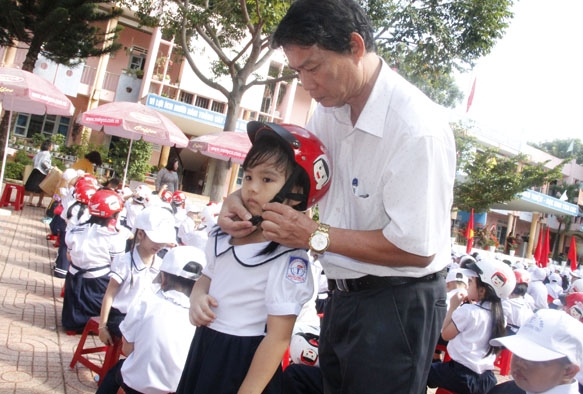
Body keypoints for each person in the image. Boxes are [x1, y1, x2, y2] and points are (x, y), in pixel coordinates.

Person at [216, 1, 456, 392]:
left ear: (356, 46)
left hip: (396, 303)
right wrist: (239, 202)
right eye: (297, 72)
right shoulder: (329, 111)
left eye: (313, 68)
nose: (307, 84)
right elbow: (293, 182)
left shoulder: (416, 128)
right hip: (343, 294)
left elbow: (416, 248)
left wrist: (313, 235)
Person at [176, 122, 331, 394]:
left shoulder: (288, 258)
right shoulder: (224, 234)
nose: (252, 188)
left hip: (246, 361)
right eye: (248, 177)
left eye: (267, 179)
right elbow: (209, 276)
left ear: (297, 192)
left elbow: (278, 337)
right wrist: (197, 298)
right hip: (206, 347)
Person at [96, 245, 205, 394]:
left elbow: (127, 349)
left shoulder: (145, 303)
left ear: (163, 277)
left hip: (135, 388)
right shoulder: (205, 317)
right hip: (178, 389)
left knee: (115, 373)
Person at [427, 258, 516, 394]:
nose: (468, 286)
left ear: (483, 290)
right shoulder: (500, 317)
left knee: (420, 371)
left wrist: (453, 306)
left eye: (470, 282)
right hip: (486, 378)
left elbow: (445, 334)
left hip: (459, 375)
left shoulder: (469, 312)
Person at [97, 206, 176, 346]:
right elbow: (110, 293)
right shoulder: (124, 262)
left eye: (163, 241)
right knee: (144, 341)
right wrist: (102, 326)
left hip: (144, 317)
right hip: (121, 317)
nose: (159, 245)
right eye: (155, 240)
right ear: (140, 234)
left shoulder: (160, 264)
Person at [62, 189, 131, 333]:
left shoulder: (74, 230)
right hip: (97, 285)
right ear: (114, 214)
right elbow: (116, 265)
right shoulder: (114, 237)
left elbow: (69, 257)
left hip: (73, 279)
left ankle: (75, 323)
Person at [489, 309, 583, 394]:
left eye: (533, 358)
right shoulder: (505, 390)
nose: (520, 363)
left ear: (568, 371)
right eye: (518, 352)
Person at [25, 139, 53, 208]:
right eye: (52, 146)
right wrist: (49, 168)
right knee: (43, 187)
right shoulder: (47, 153)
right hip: (42, 172)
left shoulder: (39, 152)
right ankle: (39, 202)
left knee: (33, 187)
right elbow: (44, 162)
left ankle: (30, 201)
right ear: (49, 147)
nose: (52, 147)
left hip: (35, 170)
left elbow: (34, 159)